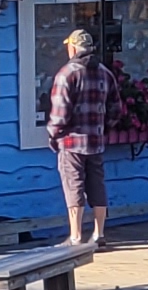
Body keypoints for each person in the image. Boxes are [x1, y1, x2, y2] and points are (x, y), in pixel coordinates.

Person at [44, 27, 112, 247]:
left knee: (74, 185)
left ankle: (75, 237)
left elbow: (60, 112)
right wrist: (102, 126)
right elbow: (117, 109)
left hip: (71, 141)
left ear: (73, 48)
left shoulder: (67, 74)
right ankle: (99, 233)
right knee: (97, 184)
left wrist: (53, 134)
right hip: (96, 139)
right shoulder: (104, 72)